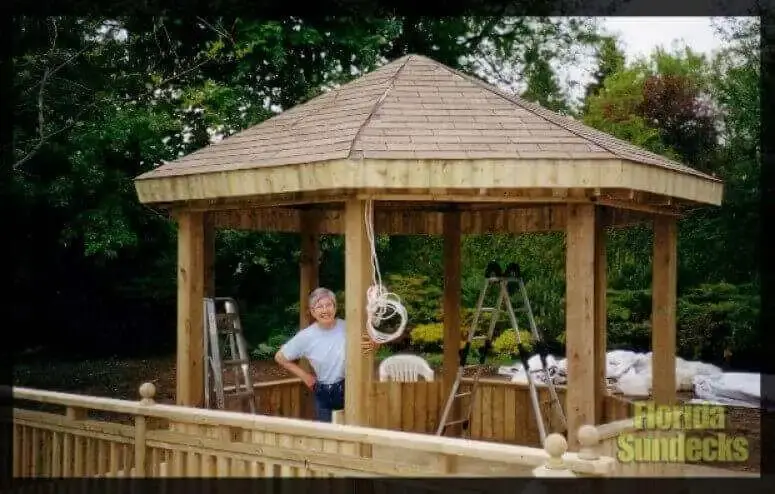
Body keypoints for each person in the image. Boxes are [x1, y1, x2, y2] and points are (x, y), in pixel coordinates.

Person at [274, 287, 378, 422]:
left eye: (328, 305)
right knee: (326, 432)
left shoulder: (349, 327)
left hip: (349, 388)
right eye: (319, 307)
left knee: (352, 431)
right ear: (312, 312)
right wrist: (306, 377)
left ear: (335, 307)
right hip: (323, 393)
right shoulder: (306, 336)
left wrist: (374, 344)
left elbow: (372, 342)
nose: (325, 310)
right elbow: (280, 357)